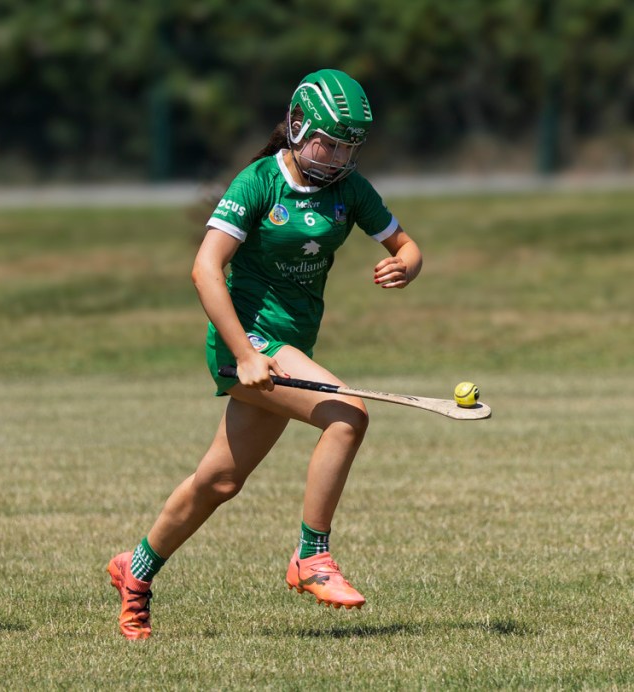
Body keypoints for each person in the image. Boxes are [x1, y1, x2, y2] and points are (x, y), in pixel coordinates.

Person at [106, 69, 423, 640]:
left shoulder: (350, 190)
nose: (337, 157)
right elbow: (205, 269)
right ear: (297, 126)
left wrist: (406, 264)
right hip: (247, 344)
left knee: (219, 482)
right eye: (327, 143)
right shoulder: (258, 183)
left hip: (290, 347)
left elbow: (405, 243)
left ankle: (137, 569)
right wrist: (245, 354)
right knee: (348, 416)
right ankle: (312, 556)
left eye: (348, 147)